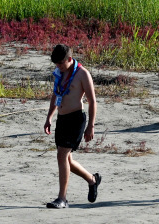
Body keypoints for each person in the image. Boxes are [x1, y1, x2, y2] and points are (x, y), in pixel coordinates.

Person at [44, 44, 101, 208]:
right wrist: (49, 117)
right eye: (56, 64)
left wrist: (91, 125)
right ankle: (92, 180)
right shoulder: (59, 73)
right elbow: (56, 94)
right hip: (62, 119)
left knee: (61, 156)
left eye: (61, 63)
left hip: (76, 119)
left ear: (69, 59)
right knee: (67, 159)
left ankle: (62, 199)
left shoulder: (82, 74)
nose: (58, 67)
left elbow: (92, 101)